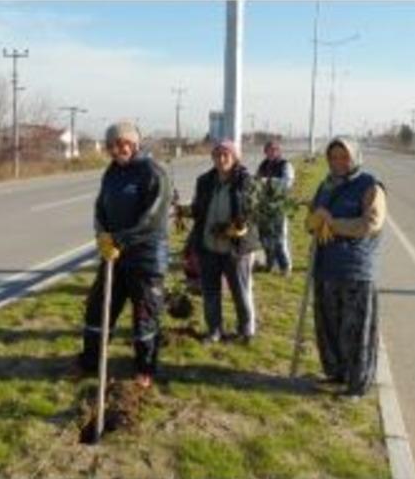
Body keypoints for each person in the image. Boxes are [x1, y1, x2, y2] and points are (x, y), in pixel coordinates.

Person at [77, 121, 171, 389]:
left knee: (145, 314)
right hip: (114, 256)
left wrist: (119, 239)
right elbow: (100, 206)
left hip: (146, 257)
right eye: (112, 145)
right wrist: (102, 233)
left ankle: (145, 367)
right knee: (98, 308)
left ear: (134, 143)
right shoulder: (112, 172)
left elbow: (151, 219)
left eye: (122, 143)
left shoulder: (153, 172)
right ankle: (90, 361)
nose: (118, 149)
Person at [306, 136, 387, 398]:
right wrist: (315, 221)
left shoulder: (370, 187)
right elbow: (310, 223)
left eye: (344, 157)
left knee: (355, 331)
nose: (339, 162)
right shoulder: (325, 186)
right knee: (329, 326)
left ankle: (357, 384)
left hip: (356, 270)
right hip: (326, 267)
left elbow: (369, 225)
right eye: (334, 157)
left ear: (355, 157)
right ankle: (337, 373)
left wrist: (333, 223)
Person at [186, 139, 261, 344]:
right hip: (209, 245)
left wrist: (240, 228)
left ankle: (246, 330)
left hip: (236, 247)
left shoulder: (246, 181)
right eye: (217, 155)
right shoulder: (204, 181)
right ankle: (214, 330)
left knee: (240, 290)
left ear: (235, 157)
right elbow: (199, 208)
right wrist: (187, 210)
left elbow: (255, 212)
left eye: (226, 154)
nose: (221, 159)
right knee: (210, 291)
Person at [255, 139, 295, 275]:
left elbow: (287, 183)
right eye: (268, 150)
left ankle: (285, 267)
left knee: (279, 237)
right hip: (264, 206)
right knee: (265, 237)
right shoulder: (263, 165)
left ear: (279, 151)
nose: (271, 152)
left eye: (274, 150)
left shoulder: (285, 165)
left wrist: (269, 181)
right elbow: (256, 182)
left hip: (279, 205)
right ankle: (270, 263)